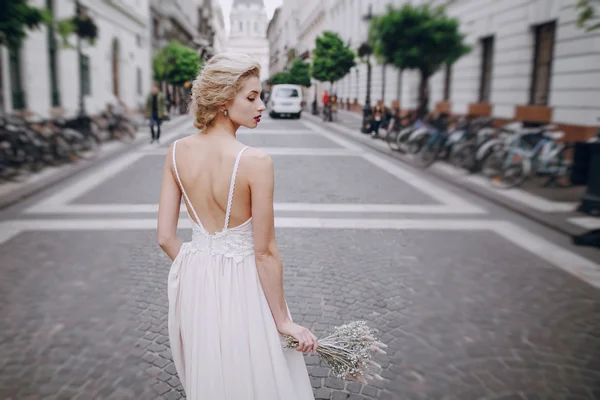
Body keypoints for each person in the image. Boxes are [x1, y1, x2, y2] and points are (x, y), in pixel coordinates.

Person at [157, 53, 317, 400]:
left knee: (215, 374)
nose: (262, 104)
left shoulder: (174, 153)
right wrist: (283, 321)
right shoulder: (255, 161)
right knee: (257, 374)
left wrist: (199, 265)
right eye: (252, 97)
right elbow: (265, 252)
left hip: (197, 280)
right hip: (246, 284)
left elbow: (166, 238)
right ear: (223, 101)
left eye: (260, 95)